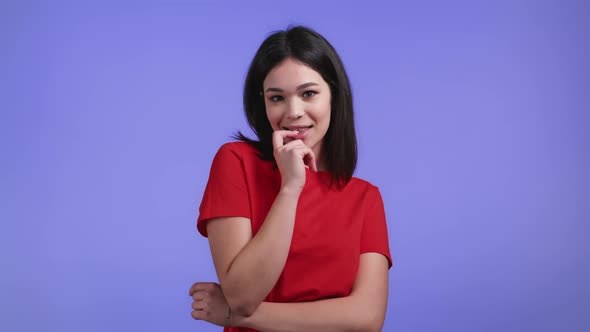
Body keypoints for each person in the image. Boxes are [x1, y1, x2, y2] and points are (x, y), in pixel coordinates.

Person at [188, 25, 392, 332]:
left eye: (309, 93)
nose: (294, 112)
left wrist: (237, 316)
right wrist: (291, 188)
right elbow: (242, 295)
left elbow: (367, 318)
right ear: (263, 102)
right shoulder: (236, 163)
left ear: (334, 96)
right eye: (277, 97)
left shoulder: (365, 197)